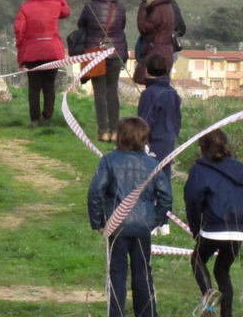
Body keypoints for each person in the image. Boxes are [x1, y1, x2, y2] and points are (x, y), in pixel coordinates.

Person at [87, 117, 172, 317]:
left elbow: (95, 193)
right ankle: (146, 313)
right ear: (144, 137)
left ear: (120, 136)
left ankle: (116, 313)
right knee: (143, 271)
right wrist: (155, 220)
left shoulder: (108, 161)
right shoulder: (153, 164)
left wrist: (99, 222)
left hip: (116, 225)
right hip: (142, 226)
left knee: (116, 272)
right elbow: (166, 196)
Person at [184, 129, 243, 317]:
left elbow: (193, 201)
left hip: (212, 229)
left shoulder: (199, 170)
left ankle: (208, 302)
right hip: (238, 231)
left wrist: (196, 230)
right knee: (222, 270)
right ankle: (227, 315)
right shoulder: (240, 168)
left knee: (198, 260)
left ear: (201, 149)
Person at [14, 0, 70, 128]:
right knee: (49, 84)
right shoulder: (56, 4)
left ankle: (35, 120)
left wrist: (21, 46)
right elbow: (66, 12)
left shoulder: (25, 7)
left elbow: (20, 30)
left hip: (32, 52)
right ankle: (48, 114)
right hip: (52, 51)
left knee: (34, 87)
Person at [78, 0, 128, 142]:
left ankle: (103, 131)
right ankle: (115, 131)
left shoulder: (90, 6)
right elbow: (121, 27)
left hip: (96, 53)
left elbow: (81, 24)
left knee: (99, 92)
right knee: (112, 91)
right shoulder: (120, 7)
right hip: (115, 52)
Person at [137, 53, 182, 179]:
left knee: (149, 182)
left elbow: (144, 122)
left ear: (146, 70)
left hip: (153, 144)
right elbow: (178, 120)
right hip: (169, 143)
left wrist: (139, 142)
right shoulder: (173, 92)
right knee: (164, 182)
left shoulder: (149, 93)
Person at [133, 0, 175, 85]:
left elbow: (143, 27)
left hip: (155, 50)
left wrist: (143, 7)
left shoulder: (157, 10)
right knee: (161, 84)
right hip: (165, 50)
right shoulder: (168, 7)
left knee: (151, 83)